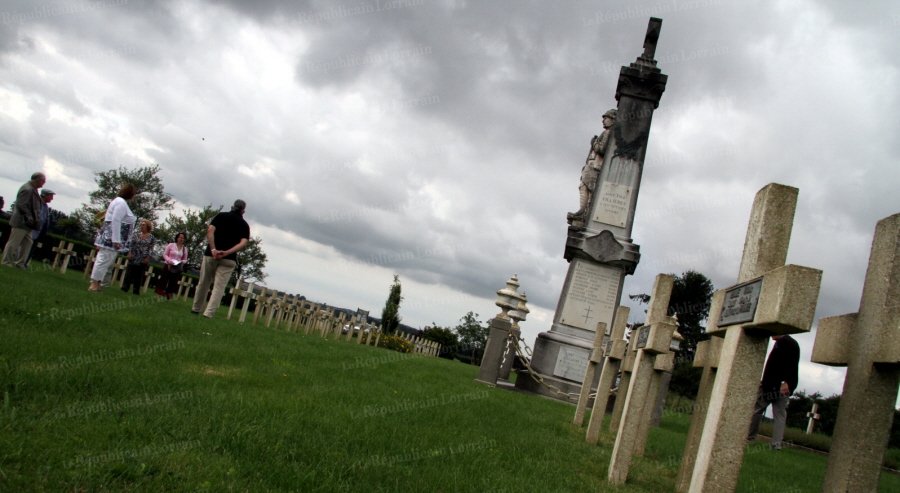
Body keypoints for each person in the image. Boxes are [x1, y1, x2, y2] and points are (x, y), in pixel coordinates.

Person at [192, 200, 250, 318]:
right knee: (219, 287)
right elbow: (243, 243)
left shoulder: (221, 216)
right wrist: (226, 252)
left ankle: (196, 309)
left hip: (211, 255)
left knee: (204, 282)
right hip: (229, 259)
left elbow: (210, 231)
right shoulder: (244, 225)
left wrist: (214, 249)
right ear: (243, 210)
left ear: (232, 206)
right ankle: (209, 314)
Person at [747, 334, 800, 450]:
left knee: (763, 411)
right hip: (772, 385)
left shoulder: (788, 343)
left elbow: (792, 365)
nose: (771, 334)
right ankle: (772, 444)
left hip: (777, 386)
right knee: (770, 413)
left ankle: (753, 438)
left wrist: (786, 382)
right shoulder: (782, 343)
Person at [567, 109, 617, 227]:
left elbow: (602, 149)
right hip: (591, 166)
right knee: (583, 187)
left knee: (589, 190)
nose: (603, 121)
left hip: (595, 167)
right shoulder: (606, 132)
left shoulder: (608, 133)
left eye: (606, 118)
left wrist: (593, 143)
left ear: (613, 120)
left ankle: (584, 213)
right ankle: (582, 211)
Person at [88, 184, 137, 292]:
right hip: (111, 238)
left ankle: (98, 282)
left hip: (110, 237)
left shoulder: (118, 201)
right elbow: (115, 220)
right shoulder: (121, 203)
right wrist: (116, 240)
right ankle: (94, 284)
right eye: (134, 194)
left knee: (106, 261)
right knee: (103, 260)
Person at [1, 172, 46, 269]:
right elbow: (21, 205)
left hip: (28, 224)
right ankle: (6, 262)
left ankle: (20, 263)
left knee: (28, 242)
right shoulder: (27, 189)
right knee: (14, 242)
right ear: (37, 180)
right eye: (43, 181)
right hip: (21, 221)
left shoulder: (33, 189)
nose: (43, 183)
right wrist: (29, 216)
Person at [121, 219, 155, 295]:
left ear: (148, 227)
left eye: (143, 225)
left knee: (139, 275)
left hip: (143, 258)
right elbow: (131, 245)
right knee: (129, 273)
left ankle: (136, 290)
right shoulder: (136, 234)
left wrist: (147, 258)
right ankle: (125, 287)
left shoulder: (152, 237)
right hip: (134, 256)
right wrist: (129, 253)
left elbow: (151, 249)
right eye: (141, 225)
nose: (142, 226)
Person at [25, 189, 55, 267]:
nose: (52, 198)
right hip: (31, 230)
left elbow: (44, 219)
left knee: (31, 249)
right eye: (50, 196)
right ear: (45, 195)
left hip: (38, 232)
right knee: (25, 247)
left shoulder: (46, 206)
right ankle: (20, 262)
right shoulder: (37, 204)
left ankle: (25, 263)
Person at [156, 231, 188, 300]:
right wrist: (169, 261)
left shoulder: (185, 249)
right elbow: (165, 254)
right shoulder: (171, 245)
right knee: (163, 280)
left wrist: (180, 262)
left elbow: (185, 259)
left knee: (173, 282)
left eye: (183, 238)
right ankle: (159, 294)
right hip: (168, 265)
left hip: (177, 267)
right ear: (177, 238)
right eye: (180, 237)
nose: (181, 239)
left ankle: (168, 296)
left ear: (184, 240)